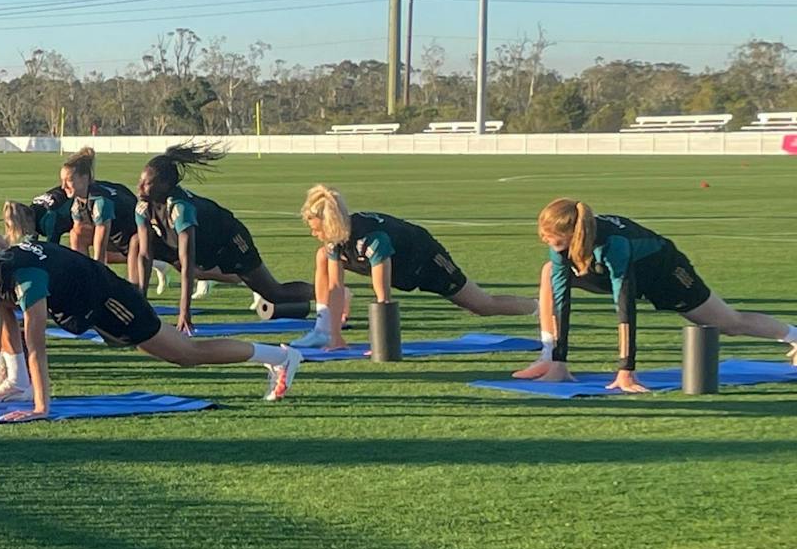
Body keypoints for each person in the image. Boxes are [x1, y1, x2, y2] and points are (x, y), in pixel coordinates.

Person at [0, 239, 302, 420]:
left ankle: (279, 357)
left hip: (109, 298)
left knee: (184, 354)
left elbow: (36, 345)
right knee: (1, 313)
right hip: (83, 301)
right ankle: (16, 385)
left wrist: (42, 407)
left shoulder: (26, 278)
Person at [513, 199, 797, 392]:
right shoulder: (561, 244)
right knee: (550, 271)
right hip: (604, 268)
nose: (548, 243)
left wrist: (626, 370)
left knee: (728, 324)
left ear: (574, 234)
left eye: (553, 239)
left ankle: (793, 335)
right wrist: (559, 359)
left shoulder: (614, 245)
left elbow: (624, 308)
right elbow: (561, 299)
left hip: (665, 274)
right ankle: (548, 356)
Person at [291, 185, 537, 350]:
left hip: (425, 262)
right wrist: (336, 337)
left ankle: (540, 307)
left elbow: (383, 297)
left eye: (315, 227)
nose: (313, 232)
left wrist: (382, 344)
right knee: (323, 256)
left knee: (482, 305)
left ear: (331, 223)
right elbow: (334, 285)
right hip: (390, 262)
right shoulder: (336, 238)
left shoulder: (372, 240)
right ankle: (323, 329)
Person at [136, 142, 313, 334]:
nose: (139, 188)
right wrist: (140, 304)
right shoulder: (143, 207)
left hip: (229, 240)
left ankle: (329, 293)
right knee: (136, 243)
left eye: (147, 184)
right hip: (207, 249)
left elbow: (188, 263)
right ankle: (239, 278)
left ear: (165, 185)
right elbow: (145, 255)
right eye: (140, 181)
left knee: (273, 293)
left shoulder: (180, 209)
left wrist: (184, 313)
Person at [56, 147, 141, 265]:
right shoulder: (79, 199)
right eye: (62, 181)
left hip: (131, 243)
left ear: (85, 178)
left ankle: (153, 260)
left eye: (69, 180)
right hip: (114, 238)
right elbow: (79, 229)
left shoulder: (101, 201)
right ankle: (83, 272)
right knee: (76, 233)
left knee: (100, 255)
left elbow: (100, 248)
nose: (63, 186)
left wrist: (98, 267)